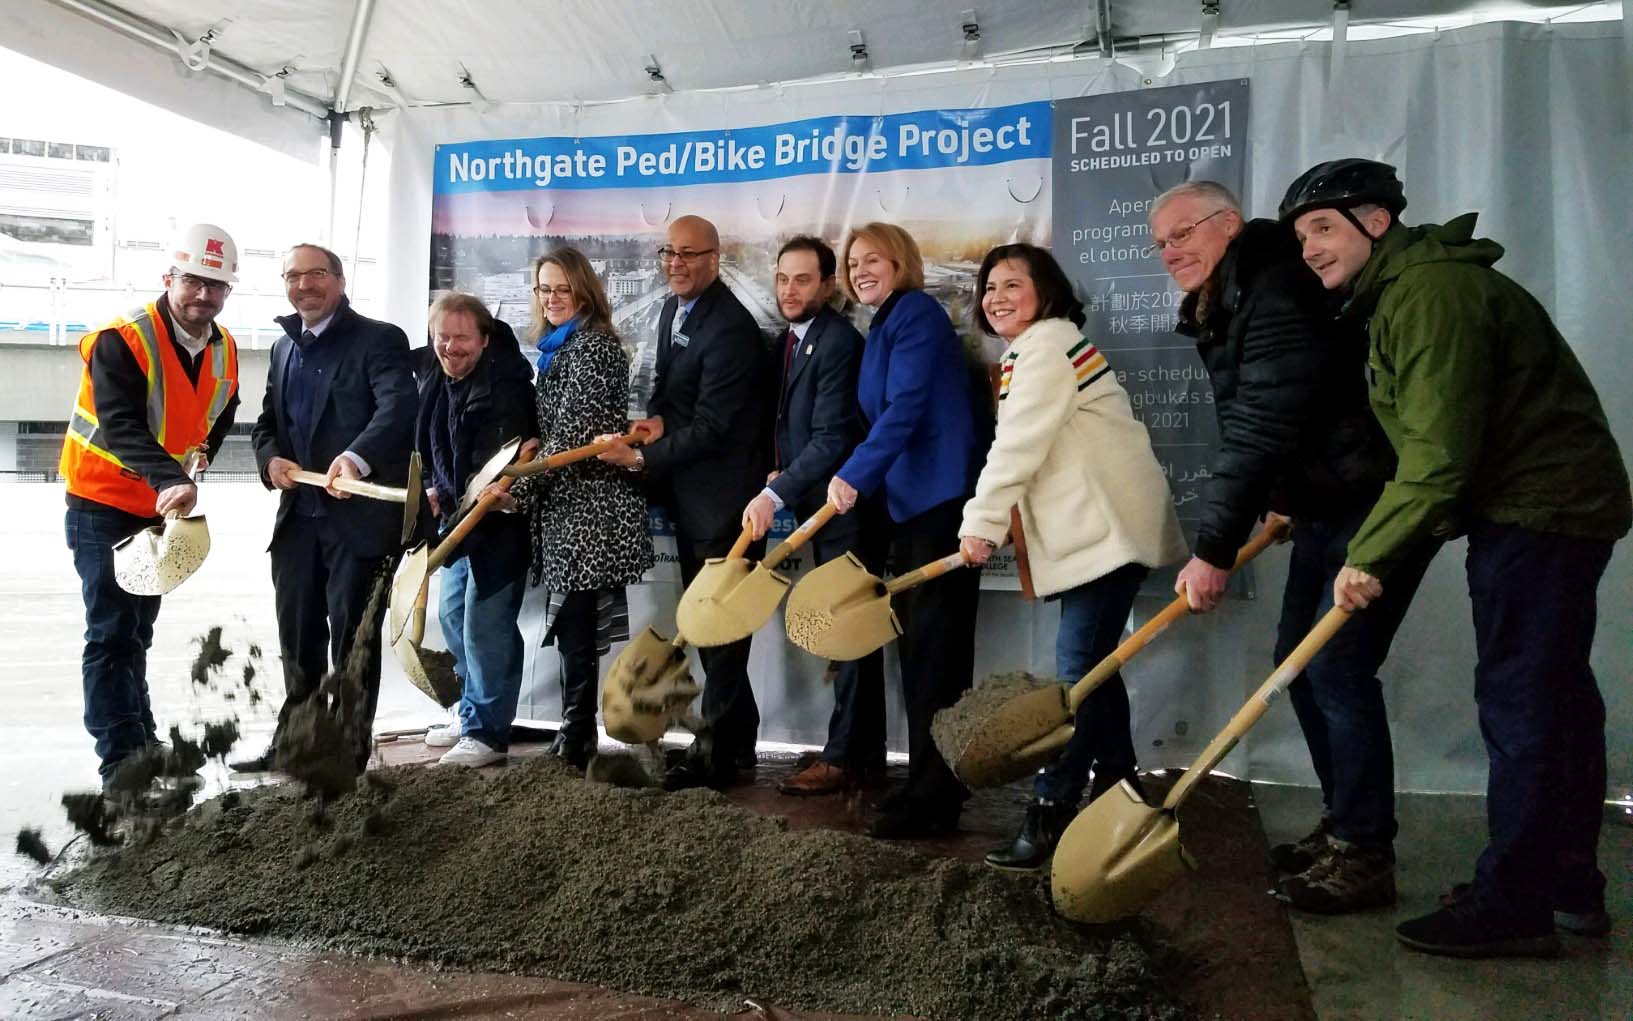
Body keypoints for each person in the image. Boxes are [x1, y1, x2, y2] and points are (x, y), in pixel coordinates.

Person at [1280, 158, 1630, 957]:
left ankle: (1515, 901)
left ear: (1376, 222)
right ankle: (1567, 885)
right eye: (1302, 237)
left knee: (1522, 705)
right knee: (1557, 702)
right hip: (1544, 508)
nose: (1309, 249)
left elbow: (1437, 453)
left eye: (1323, 228)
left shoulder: (1431, 294)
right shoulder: (1403, 294)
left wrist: (1367, 555)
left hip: (1537, 511)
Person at [1150, 180, 1437, 913]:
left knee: (1335, 665)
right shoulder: (1236, 297)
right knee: (1298, 662)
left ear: (1229, 224)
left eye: (1183, 231)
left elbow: (1262, 421)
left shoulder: (1272, 290)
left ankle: (1364, 850)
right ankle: (1345, 824)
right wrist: (1281, 500)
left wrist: (1214, 548)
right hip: (1323, 500)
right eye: (1159, 242)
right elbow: (1285, 411)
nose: (1170, 250)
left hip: (1364, 497)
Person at [959, 243, 1187, 869]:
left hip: (1106, 534)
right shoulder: (1035, 350)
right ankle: (1122, 789)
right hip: (1099, 532)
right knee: (1094, 672)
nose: (997, 297)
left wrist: (979, 524)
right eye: (989, 287)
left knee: (1074, 680)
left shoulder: (1047, 348)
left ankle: (1052, 811)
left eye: (1013, 284)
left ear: (1048, 291)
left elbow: (1017, 448)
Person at [60, 223, 242, 786]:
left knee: (137, 629)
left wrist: (204, 451)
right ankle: (121, 764)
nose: (203, 295)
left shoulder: (223, 345)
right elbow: (118, 426)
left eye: (216, 285)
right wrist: (171, 478)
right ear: (169, 278)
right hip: (104, 502)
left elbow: (225, 402)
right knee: (112, 632)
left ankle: (143, 742)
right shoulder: (123, 339)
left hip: (160, 508)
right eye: (192, 281)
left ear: (227, 291)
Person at [825, 221, 986, 839]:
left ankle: (937, 797)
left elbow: (907, 407)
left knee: (936, 656)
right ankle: (925, 786)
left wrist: (855, 475)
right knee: (921, 652)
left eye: (874, 258)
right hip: (913, 508)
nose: (861, 268)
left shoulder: (915, 314)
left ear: (902, 263)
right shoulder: (886, 322)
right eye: (853, 261)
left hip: (940, 504)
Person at [596, 215, 767, 790]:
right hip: (694, 498)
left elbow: (717, 426)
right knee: (713, 629)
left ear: (717, 258)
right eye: (668, 252)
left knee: (718, 635)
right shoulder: (680, 308)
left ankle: (716, 761)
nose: (676, 263)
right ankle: (737, 741)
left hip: (724, 506)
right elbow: (689, 404)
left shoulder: (732, 328)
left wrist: (644, 458)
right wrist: (659, 421)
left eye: (689, 254)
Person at [240, 243, 417, 775]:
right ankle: (297, 742)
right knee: (297, 636)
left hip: (358, 524)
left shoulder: (379, 339)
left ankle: (349, 750)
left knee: (353, 642)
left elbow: (398, 408)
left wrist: (355, 459)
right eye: (292, 276)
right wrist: (271, 459)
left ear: (339, 281)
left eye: (316, 274)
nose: (304, 285)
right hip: (299, 520)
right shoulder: (281, 349)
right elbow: (267, 422)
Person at [486, 248, 655, 770]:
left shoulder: (595, 348)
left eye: (562, 288)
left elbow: (572, 438)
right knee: (571, 625)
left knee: (578, 624)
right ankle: (574, 731)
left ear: (583, 291)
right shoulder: (558, 350)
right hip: (565, 510)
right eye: (544, 289)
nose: (552, 298)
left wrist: (520, 490)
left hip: (591, 512)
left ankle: (577, 735)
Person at [739, 235, 885, 796]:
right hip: (817, 503)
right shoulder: (792, 341)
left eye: (803, 280)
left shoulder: (838, 342)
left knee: (846, 633)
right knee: (845, 632)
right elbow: (793, 429)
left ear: (828, 285)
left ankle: (846, 758)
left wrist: (775, 494)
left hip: (845, 510)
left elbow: (832, 440)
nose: (789, 290)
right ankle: (858, 753)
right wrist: (781, 472)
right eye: (782, 279)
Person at [414, 293, 537, 767]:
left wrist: (501, 489)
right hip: (457, 523)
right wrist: (433, 488)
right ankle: (469, 713)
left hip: (499, 526)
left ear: (484, 340)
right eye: (442, 337)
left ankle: (487, 732)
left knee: (486, 627)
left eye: (462, 338)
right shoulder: (433, 379)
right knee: (451, 618)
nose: (451, 347)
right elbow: (430, 448)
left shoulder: (508, 388)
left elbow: (519, 454)